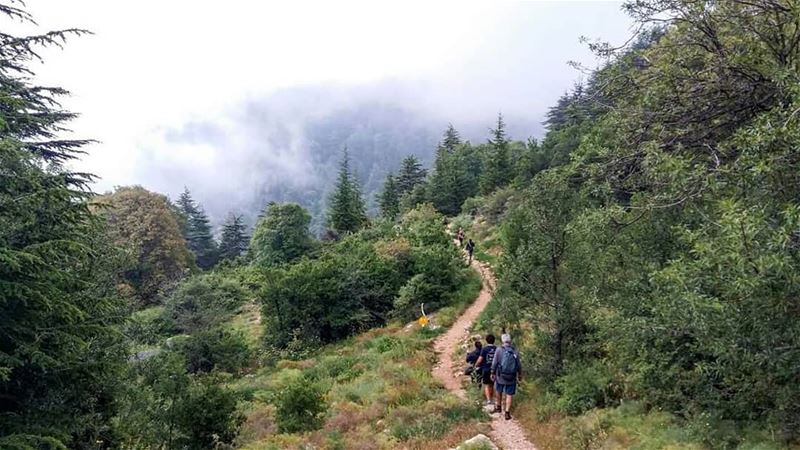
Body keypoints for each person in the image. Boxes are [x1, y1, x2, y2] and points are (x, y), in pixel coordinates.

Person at [491, 333, 522, 420]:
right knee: (509, 394)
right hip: (511, 376)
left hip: (501, 375)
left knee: (498, 390)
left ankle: (499, 407)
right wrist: (519, 374)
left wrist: (492, 372)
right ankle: (507, 412)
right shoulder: (515, 351)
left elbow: (494, 363)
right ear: (510, 341)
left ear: (502, 341)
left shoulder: (499, 350)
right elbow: (518, 365)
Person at [474, 334, 497, 406]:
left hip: (486, 369)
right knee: (492, 385)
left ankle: (489, 400)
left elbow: (480, 359)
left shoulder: (484, 349)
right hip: (494, 370)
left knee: (486, 385)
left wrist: (476, 365)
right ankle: (492, 399)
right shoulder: (497, 349)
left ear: (486, 340)